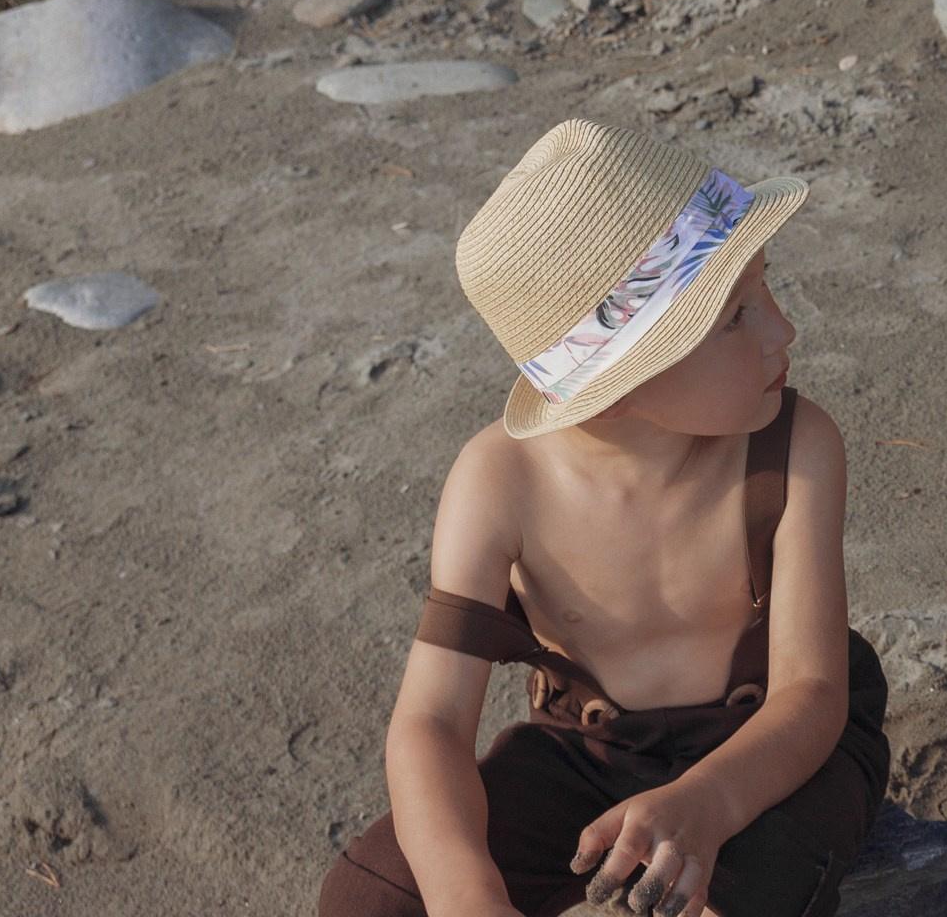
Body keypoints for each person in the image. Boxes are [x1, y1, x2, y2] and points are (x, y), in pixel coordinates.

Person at [317, 120, 887, 917]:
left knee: (747, 886)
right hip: (586, 753)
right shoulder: (499, 481)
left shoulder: (795, 448)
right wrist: (463, 894)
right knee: (368, 896)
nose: (782, 330)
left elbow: (816, 692)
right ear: (617, 384)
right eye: (735, 318)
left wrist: (709, 803)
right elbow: (432, 721)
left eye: (765, 289)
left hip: (770, 744)